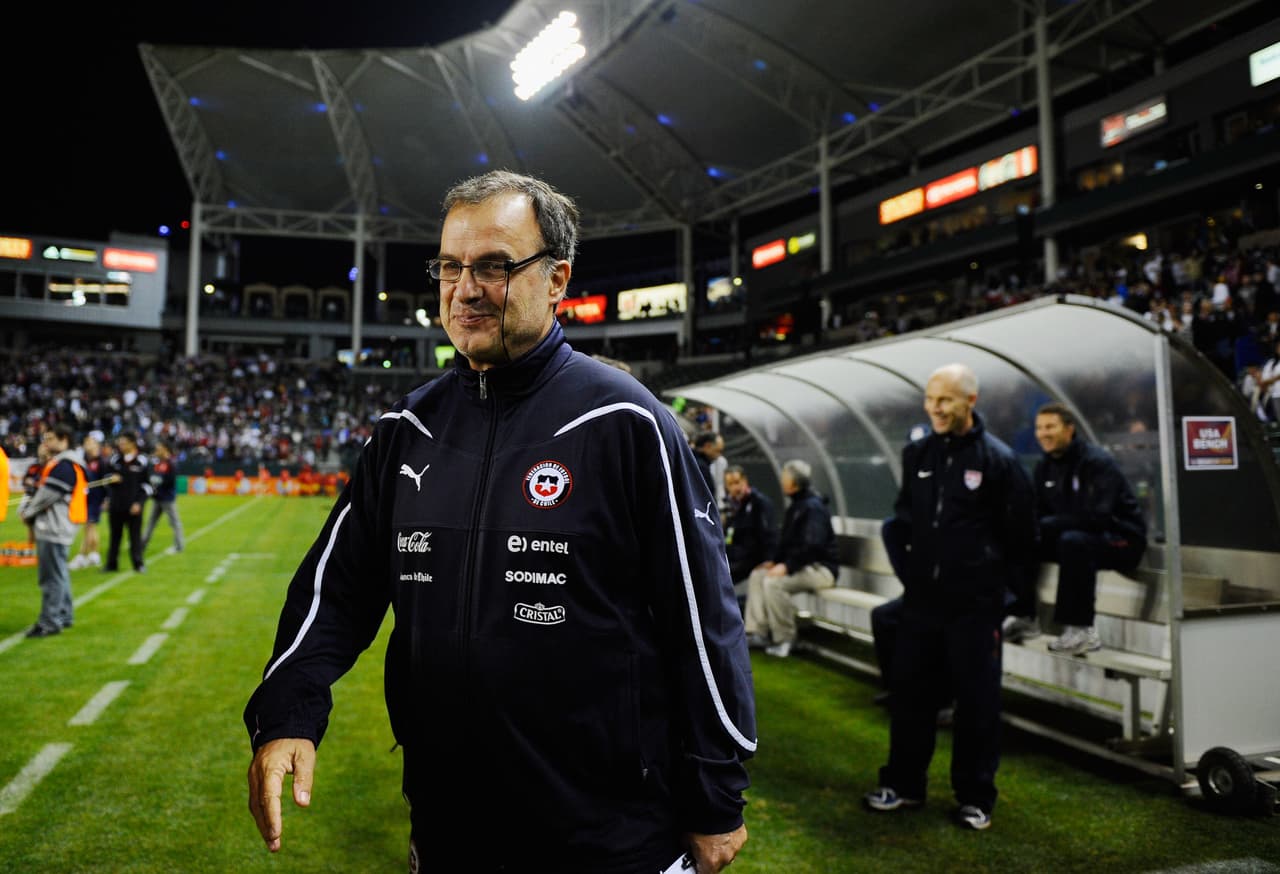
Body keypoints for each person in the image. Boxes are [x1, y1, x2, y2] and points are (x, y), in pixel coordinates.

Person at [244, 170, 755, 873]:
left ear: (557, 280)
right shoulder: (407, 427)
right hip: (450, 830)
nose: (466, 288)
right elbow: (336, 589)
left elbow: (702, 621)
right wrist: (288, 714)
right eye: (450, 267)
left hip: (612, 839)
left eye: (495, 266)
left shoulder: (625, 421)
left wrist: (715, 795)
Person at [864, 363, 1036, 831]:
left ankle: (975, 797)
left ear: (970, 402)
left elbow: (1021, 537)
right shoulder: (917, 453)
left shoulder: (998, 460)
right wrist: (913, 575)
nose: (934, 408)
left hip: (975, 609)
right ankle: (904, 785)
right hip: (922, 604)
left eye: (945, 400)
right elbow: (901, 522)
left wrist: (1002, 597)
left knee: (977, 706)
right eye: (929, 398)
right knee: (910, 698)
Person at [1007, 403, 1147, 655]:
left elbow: (1099, 517)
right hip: (1075, 539)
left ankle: (1081, 629)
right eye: (1039, 428)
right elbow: (1038, 513)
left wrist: (1047, 525)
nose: (1043, 433)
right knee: (1023, 538)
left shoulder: (1096, 462)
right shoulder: (1045, 466)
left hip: (1121, 539)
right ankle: (1024, 616)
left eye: (1050, 426)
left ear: (1069, 429)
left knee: (1074, 542)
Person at [742, 459, 839, 658]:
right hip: (803, 566)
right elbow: (786, 542)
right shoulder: (797, 505)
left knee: (773, 583)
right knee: (758, 575)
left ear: (795, 483)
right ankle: (757, 632)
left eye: (785, 478)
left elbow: (813, 546)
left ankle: (785, 638)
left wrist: (787, 566)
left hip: (821, 569)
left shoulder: (813, 507)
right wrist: (775, 561)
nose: (781, 481)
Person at [18, 424, 87, 637]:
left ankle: (49, 622)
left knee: (51, 578)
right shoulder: (68, 463)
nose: (45, 443)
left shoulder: (65, 465)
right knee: (59, 574)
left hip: (54, 526)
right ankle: (64, 614)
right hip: (61, 525)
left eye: (49, 438)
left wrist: (27, 512)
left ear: (63, 439)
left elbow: (46, 495)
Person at [722, 465, 777, 606]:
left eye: (737, 482)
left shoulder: (759, 503)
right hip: (735, 558)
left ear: (745, 480)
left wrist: (770, 559)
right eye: (730, 484)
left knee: (719, 578)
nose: (735, 488)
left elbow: (769, 533)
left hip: (752, 559)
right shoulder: (731, 506)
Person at [103, 431, 150, 573]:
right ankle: (111, 564)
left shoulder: (142, 461)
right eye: (120, 442)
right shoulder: (114, 460)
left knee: (135, 537)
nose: (120, 445)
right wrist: (111, 480)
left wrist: (139, 503)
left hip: (133, 507)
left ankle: (138, 564)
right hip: (116, 506)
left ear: (132, 443)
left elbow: (148, 486)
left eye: (123, 442)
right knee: (115, 537)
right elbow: (105, 479)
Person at [70, 434, 106, 570]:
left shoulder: (101, 462)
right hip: (85, 498)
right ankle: (92, 555)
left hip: (96, 498)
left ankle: (84, 555)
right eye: (86, 442)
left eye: (90, 442)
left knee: (90, 526)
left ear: (96, 445)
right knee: (88, 527)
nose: (87, 445)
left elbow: (105, 481)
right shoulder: (84, 460)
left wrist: (105, 499)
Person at [142, 441, 184, 554]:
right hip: (158, 498)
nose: (156, 451)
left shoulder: (171, 463)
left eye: (159, 448)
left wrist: (156, 485)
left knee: (174, 522)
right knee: (151, 522)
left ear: (165, 449)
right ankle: (142, 544)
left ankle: (179, 546)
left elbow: (169, 481)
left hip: (167, 499)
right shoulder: (159, 463)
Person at [692, 431, 722, 498]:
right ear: (707, 446)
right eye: (718, 451)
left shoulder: (690, 459)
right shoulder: (701, 467)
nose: (719, 456)